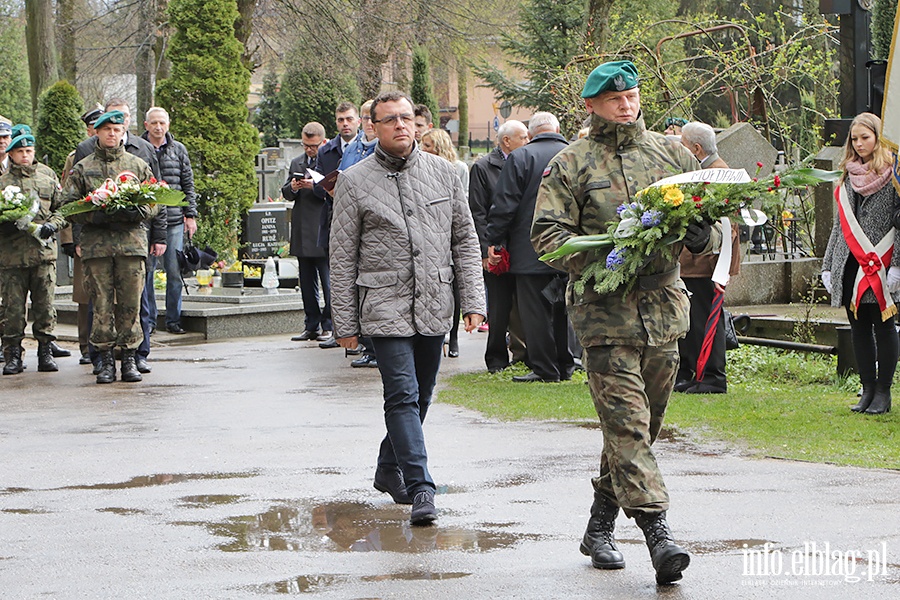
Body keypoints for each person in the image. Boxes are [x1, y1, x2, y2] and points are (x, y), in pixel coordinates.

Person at [532, 60, 718, 584]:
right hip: (603, 316)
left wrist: (704, 234)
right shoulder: (571, 163)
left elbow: (706, 223)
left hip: (663, 313)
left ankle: (599, 526)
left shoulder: (673, 153)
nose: (626, 104)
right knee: (628, 427)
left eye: (632, 95)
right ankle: (659, 534)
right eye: (615, 99)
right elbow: (545, 235)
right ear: (591, 105)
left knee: (642, 429)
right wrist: (607, 257)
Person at [330, 91, 486, 525]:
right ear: (373, 127)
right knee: (401, 395)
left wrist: (473, 300)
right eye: (390, 120)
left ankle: (386, 469)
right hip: (383, 302)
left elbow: (465, 240)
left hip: (435, 299)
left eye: (406, 118)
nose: (401, 125)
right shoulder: (355, 180)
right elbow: (341, 255)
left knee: (422, 395)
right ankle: (421, 487)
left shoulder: (445, 173)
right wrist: (345, 322)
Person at [63, 110, 166, 384]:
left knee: (131, 303)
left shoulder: (137, 164)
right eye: (106, 129)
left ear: (124, 133)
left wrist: (137, 212)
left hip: (130, 246)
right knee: (101, 304)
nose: (112, 134)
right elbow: (67, 206)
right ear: (96, 132)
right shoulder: (83, 167)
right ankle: (105, 359)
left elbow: (155, 202)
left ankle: (130, 358)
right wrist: (93, 215)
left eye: (116, 130)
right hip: (97, 247)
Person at [487, 112, 575, 382]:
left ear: (532, 132)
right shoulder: (573, 154)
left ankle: (545, 368)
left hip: (531, 248)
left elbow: (505, 204)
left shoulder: (521, 157)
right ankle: (566, 363)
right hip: (570, 246)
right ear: (557, 128)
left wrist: (495, 240)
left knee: (535, 311)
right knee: (563, 308)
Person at [822, 112, 900, 415]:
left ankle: (883, 391)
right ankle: (867, 388)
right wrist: (829, 264)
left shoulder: (894, 173)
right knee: (858, 328)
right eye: (854, 139)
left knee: (884, 327)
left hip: (881, 262)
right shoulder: (848, 174)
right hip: (850, 261)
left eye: (864, 137)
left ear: (878, 137)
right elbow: (839, 224)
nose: (858, 144)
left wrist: (897, 266)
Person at [674, 122, 741, 394]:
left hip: (707, 262)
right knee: (694, 320)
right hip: (696, 262)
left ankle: (712, 376)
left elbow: (726, 224)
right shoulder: (705, 171)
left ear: (696, 148)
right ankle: (696, 372)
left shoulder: (718, 174)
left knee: (706, 319)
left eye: (682, 144)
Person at [0, 134, 67, 374]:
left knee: (45, 306)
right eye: (20, 152)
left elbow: (63, 209)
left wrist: (53, 225)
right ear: (11, 154)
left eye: (29, 151)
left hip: (43, 254)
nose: (25, 155)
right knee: (12, 309)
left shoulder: (47, 178)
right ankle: (13, 354)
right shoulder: (2, 182)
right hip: (11, 256)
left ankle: (46, 352)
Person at [469, 119, 529, 372]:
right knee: (499, 304)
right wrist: (485, 249)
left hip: (521, 246)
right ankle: (495, 359)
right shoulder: (483, 167)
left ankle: (524, 354)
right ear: (507, 140)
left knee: (524, 304)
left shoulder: (526, 162)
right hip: (496, 248)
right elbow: (478, 211)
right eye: (523, 137)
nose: (527, 141)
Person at [141, 107, 198, 341]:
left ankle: (174, 320)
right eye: (153, 123)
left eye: (162, 123)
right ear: (146, 125)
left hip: (174, 220)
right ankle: (150, 320)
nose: (158, 127)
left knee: (174, 272)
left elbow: (188, 183)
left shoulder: (178, 150)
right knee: (148, 272)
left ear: (168, 124)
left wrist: (190, 214)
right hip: (147, 220)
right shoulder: (138, 149)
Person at [60, 105, 105, 365]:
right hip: (84, 233)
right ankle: (86, 346)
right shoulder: (76, 155)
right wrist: (69, 238)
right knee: (84, 293)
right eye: (95, 125)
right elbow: (69, 197)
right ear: (89, 129)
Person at [315, 102, 361, 349]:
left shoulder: (366, 148)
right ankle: (338, 330)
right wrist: (326, 188)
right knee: (338, 278)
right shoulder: (326, 151)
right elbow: (317, 183)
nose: (345, 124)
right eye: (341, 120)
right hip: (334, 218)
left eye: (349, 119)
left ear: (358, 122)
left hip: (361, 218)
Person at [421, 128, 467, 358]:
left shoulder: (458, 169)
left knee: (454, 286)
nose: (423, 149)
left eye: (427, 145)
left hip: (449, 232)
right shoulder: (419, 168)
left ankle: (454, 337)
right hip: (430, 234)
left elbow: (463, 202)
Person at [283, 122, 331, 341]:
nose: (309, 150)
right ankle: (311, 323)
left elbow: (333, 191)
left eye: (313, 146)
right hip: (303, 228)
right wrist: (293, 187)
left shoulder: (329, 160)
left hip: (322, 226)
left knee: (328, 281)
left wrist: (315, 186)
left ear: (322, 142)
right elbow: (286, 192)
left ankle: (329, 324)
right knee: (306, 280)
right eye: (305, 145)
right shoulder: (297, 161)